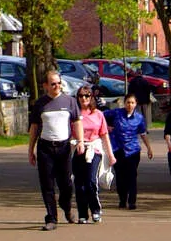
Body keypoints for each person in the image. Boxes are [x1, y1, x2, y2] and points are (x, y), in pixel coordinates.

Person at [27, 70, 84, 231]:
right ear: (45, 86)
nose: (57, 86)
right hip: (45, 147)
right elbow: (34, 127)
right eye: (53, 84)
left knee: (66, 184)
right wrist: (30, 150)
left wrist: (80, 141)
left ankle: (66, 206)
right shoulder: (40, 104)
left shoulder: (70, 101)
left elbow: (77, 122)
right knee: (47, 184)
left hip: (64, 147)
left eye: (59, 83)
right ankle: (51, 218)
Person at [71, 86, 116, 224]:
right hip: (78, 149)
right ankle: (83, 214)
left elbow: (104, 135)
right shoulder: (74, 114)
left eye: (87, 95)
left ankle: (95, 210)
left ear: (91, 97)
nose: (84, 98)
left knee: (90, 181)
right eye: (81, 96)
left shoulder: (98, 114)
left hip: (93, 150)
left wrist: (110, 154)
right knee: (79, 184)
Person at [104, 92, 153, 210]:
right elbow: (99, 117)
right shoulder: (116, 113)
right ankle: (122, 199)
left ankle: (132, 201)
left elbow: (143, 134)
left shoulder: (139, 118)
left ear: (136, 104)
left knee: (132, 176)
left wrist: (149, 148)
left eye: (132, 103)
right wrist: (106, 127)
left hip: (133, 151)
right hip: (118, 149)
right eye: (128, 102)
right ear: (124, 103)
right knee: (120, 177)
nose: (130, 105)